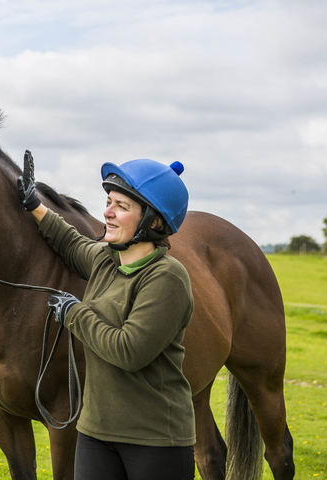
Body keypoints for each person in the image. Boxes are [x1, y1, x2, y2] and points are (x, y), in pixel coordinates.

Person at [17, 151, 196, 480]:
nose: (107, 213)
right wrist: (34, 205)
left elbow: (129, 351)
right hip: (95, 433)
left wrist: (73, 313)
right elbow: (70, 243)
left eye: (121, 207)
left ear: (153, 222)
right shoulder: (105, 258)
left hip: (155, 441)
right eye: (108, 202)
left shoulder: (167, 278)